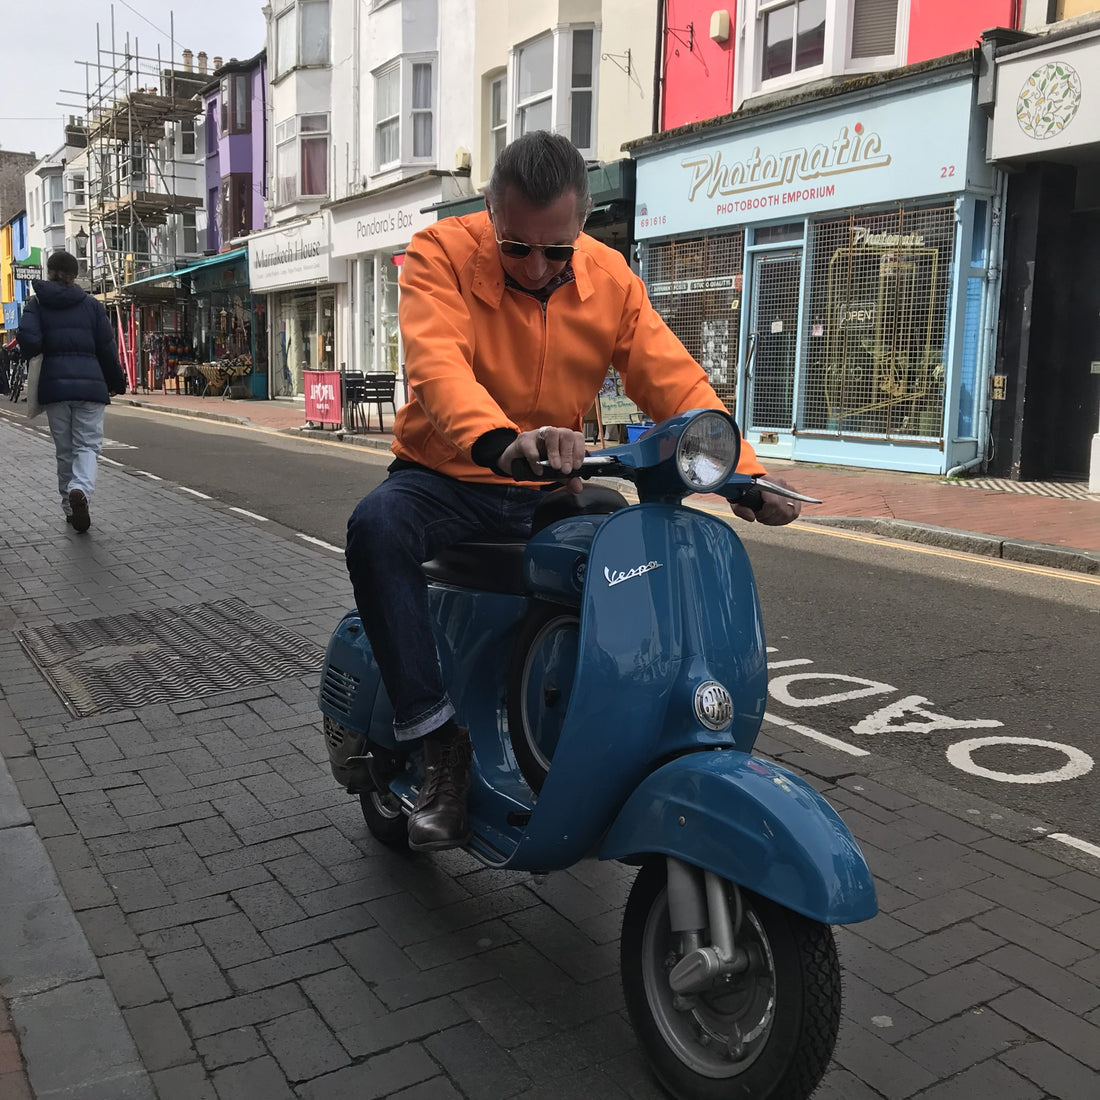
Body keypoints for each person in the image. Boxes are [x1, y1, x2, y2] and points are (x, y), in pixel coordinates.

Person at [345, 131, 803, 851]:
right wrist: (503, 443)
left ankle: (572, 725)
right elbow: (438, 370)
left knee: (620, 549)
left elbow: (673, 381)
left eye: (555, 250)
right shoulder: (438, 253)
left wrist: (741, 472)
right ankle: (437, 743)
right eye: (514, 246)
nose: (534, 266)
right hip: (450, 473)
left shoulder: (612, 279)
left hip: (552, 482)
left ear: (582, 224)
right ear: (489, 212)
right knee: (376, 529)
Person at [17, 250, 127, 534]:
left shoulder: (36, 303)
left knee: (64, 451)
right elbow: (106, 348)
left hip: (54, 387)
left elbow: (28, 339)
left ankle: (69, 506)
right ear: (75, 275)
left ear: (49, 271)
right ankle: (81, 489)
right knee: (87, 446)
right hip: (90, 386)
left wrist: (40, 348)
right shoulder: (91, 305)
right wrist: (116, 381)